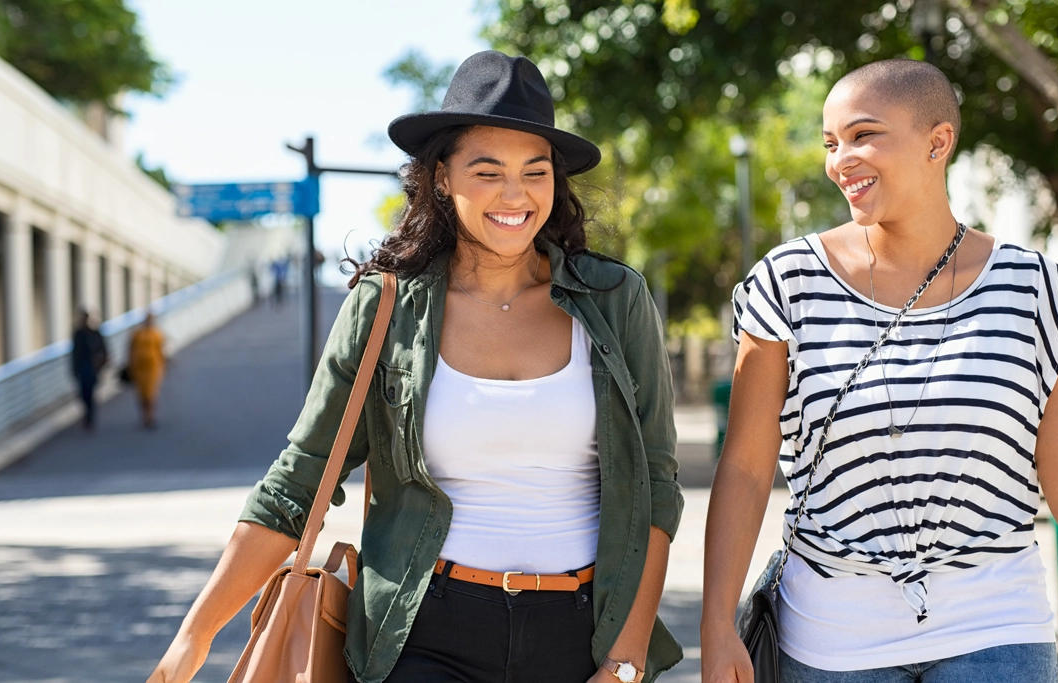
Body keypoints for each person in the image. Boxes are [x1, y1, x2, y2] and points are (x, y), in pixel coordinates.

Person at [149, 50, 684, 683]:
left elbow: (656, 484)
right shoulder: (387, 307)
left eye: (535, 172)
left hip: (582, 634)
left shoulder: (614, 301)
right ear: (440, 178)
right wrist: (195, 636)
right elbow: (297, 484)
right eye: (488, 171)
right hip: (424, 633)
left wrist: (624, 662)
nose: (515, 194)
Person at [701, 59, 1058, 683]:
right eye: (831, 143)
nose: (842, 160)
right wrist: (716, 625)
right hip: (833, 636)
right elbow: (747, 466)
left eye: (864, 135)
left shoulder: (1034, 290)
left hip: (996, 624)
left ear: (937, 141)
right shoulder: (789, 282)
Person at [70, 309, 107, 431]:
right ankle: (87, 414)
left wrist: (100, 363)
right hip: (82, 367)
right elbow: (74, 353)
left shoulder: (94, 334)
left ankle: (90, 417)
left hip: (92, 368)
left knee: (90, 392)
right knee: (83, 393)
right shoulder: (78, 334)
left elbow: (103, 350)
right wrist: (74, 369)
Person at [128, 312, 167, 429]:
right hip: (139, 367)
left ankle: (150, 415)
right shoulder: (137, 334)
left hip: (152, 366)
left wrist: (163, 364)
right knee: (142, 392)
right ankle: (144, 414)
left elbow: (161, 350)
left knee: (151, 392)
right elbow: (130, 349)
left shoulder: (157, 334)